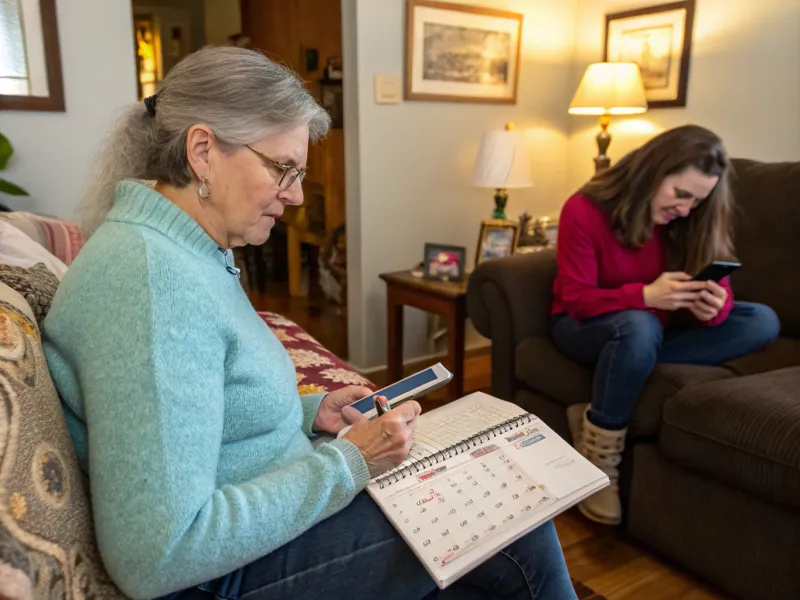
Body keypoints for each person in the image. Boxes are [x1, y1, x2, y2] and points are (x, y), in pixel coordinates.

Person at [42, 47, 577, 600]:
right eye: (283, 169)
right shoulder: (151, 283)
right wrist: (351, 462)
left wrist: (307, 414)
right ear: (203, 151)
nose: (296, 195)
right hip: (223, 577)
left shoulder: (185, 250)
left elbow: (191, 415)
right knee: (516, 516)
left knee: (482, 524)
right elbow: (159, 554)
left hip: (258, 532)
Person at [550, 125, 780, 526]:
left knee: (761, 319)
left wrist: (714, 310)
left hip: (658, 328)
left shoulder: (697, 218)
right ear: (652, 173)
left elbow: (716, 295)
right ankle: (601, 456)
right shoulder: (585, 208)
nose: (688, 209)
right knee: (638, 327)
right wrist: (643, 296)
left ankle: (612, 385)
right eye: (681, 194)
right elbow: (576, 299)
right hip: (585, 325)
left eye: (699, 200)